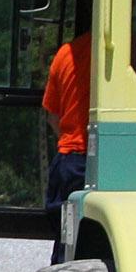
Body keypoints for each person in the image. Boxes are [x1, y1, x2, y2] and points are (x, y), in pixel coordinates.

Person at [41, 29, 91, 210]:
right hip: (119, 163)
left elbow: (53, 116)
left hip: (70, 162)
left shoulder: (66, 53)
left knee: (67, 232)